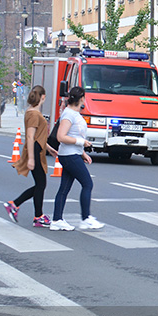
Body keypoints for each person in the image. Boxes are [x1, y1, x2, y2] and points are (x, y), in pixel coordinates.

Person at [50, 86, 104, 231]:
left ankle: (57, 220)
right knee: (87, 184)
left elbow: (73, 135)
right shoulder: (69, 114)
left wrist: (82, 152)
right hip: (69, 155)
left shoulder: (72, 113)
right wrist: (81, 143)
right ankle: (86, 218)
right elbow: (61, 136)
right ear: (81, 99)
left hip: (71, 154)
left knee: (64, 188)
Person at [4, 85, 57, 228]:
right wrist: (32, 158)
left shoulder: (31, 111)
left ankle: (24, 209)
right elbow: (30, 136)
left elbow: (38, 136)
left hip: (38, 149)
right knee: (41, 184)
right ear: (43, 97)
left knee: (40, 184)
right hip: (35, 151)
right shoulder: (34, 114)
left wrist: (49, 148)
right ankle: (31, 213)